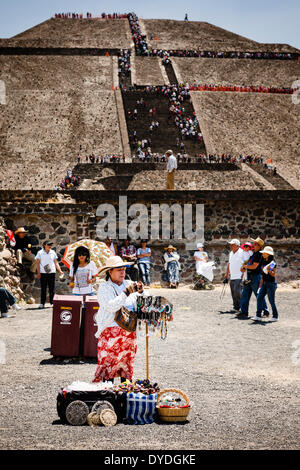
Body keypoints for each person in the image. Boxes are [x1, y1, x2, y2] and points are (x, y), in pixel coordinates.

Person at [93, 256, 144, 383]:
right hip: (110, 333)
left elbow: (141, 303)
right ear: (110, 272)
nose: (122, 272)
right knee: (108, 366)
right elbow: (111, 306)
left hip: (128, 332)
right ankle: (108, 397)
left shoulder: (129, 283)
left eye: (124, 269)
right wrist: (126, 293)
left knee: (126, 366)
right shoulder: (104, 288)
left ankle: (124, 397)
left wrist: (142, 293)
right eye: (118, 270)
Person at [237, 237, 269, 319]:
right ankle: (244, 312)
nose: (253, 245)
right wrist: (244, 268)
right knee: (245, 294)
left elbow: (254, 266)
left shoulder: (259, 254)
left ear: (259, 246)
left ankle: (265, 311)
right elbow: (250, 265)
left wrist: (245, 266)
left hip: (255, 277)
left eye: (254, 244)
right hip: (250, 276)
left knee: (258, 295)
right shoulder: (254, 254)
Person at [252, 246, 278, 322]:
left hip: (271, 284)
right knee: (259, 298)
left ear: (268, 254)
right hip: (264, 283)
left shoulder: (273, 263)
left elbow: (273, 274)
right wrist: (260, 284)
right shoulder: (263, 261)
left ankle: (275, 316)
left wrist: (269, 269)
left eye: (265, 253)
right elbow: (263, 274)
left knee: (271, 301)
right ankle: (258, 315)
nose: (263, 254)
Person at [36, 241, 64, 309]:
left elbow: (56, 263)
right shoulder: (40, 253)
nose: (50, 246)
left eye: (51, 245)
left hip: (52, 272)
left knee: (52, 288)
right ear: (44, 245)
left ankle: (52, 302)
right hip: (43, 273)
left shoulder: (53, 252)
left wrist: (60, 270)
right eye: (48, 244)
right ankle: (42, 303)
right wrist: (38, 272)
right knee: (43, 288)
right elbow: (37, 263)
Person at [224, 239, 245, 313]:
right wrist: (227, 273)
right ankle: (236, 307)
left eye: (232, 244)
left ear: (237, 245)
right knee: (233, 292)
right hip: (232, 275)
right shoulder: (231, 253)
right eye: (230, 244)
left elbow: (245, 263)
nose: (231, 246)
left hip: (239, 276)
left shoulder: (242, 252)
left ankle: (242, 307)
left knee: (238, 292)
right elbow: (229, 264)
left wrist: (244, 273)